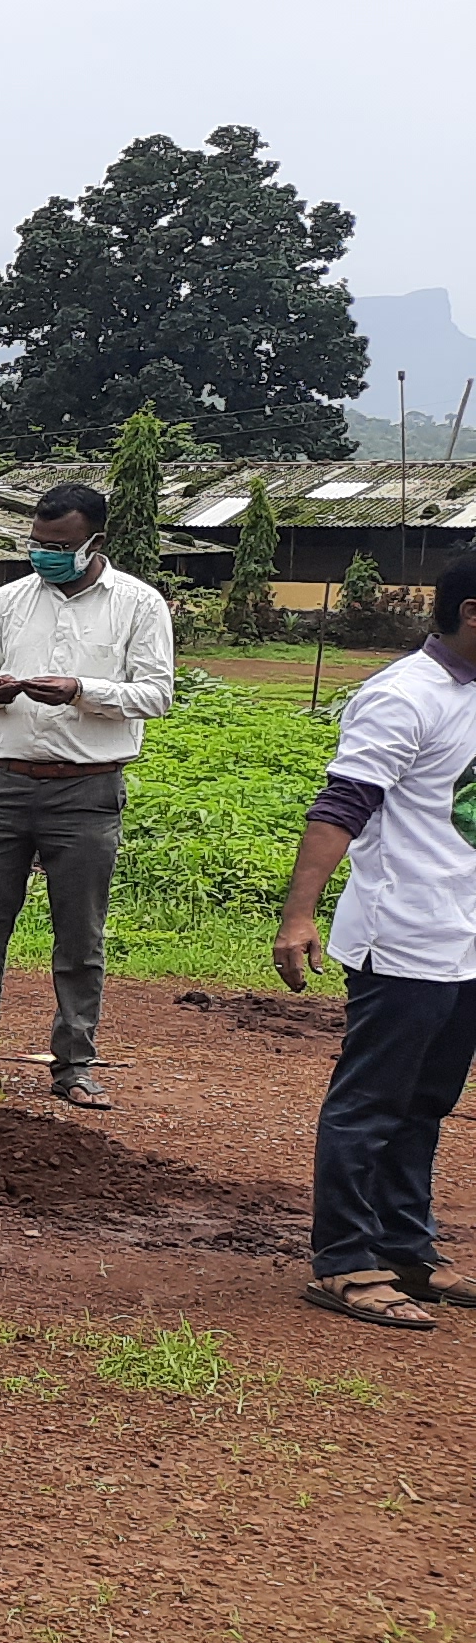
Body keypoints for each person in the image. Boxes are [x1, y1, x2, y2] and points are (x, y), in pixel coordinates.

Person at [0, 479, 175, 1109]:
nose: (44, 554)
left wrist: (83, 690)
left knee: (79, 932)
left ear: (95, 540)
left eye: (58, 544)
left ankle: (74, 1064)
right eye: (37, 542)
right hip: (5, 782)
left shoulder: (140, 606)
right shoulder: (10, 600)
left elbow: (157, 694)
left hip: (87, 789)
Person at [273, 556, 476, 1331]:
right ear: (472, 613)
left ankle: (407, 1248)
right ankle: (345, 1261)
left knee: (428, 1102)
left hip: (466, 937)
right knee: (372, 1103)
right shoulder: (402, 696)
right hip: (406, 934)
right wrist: (299, 916)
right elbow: (342, 805)